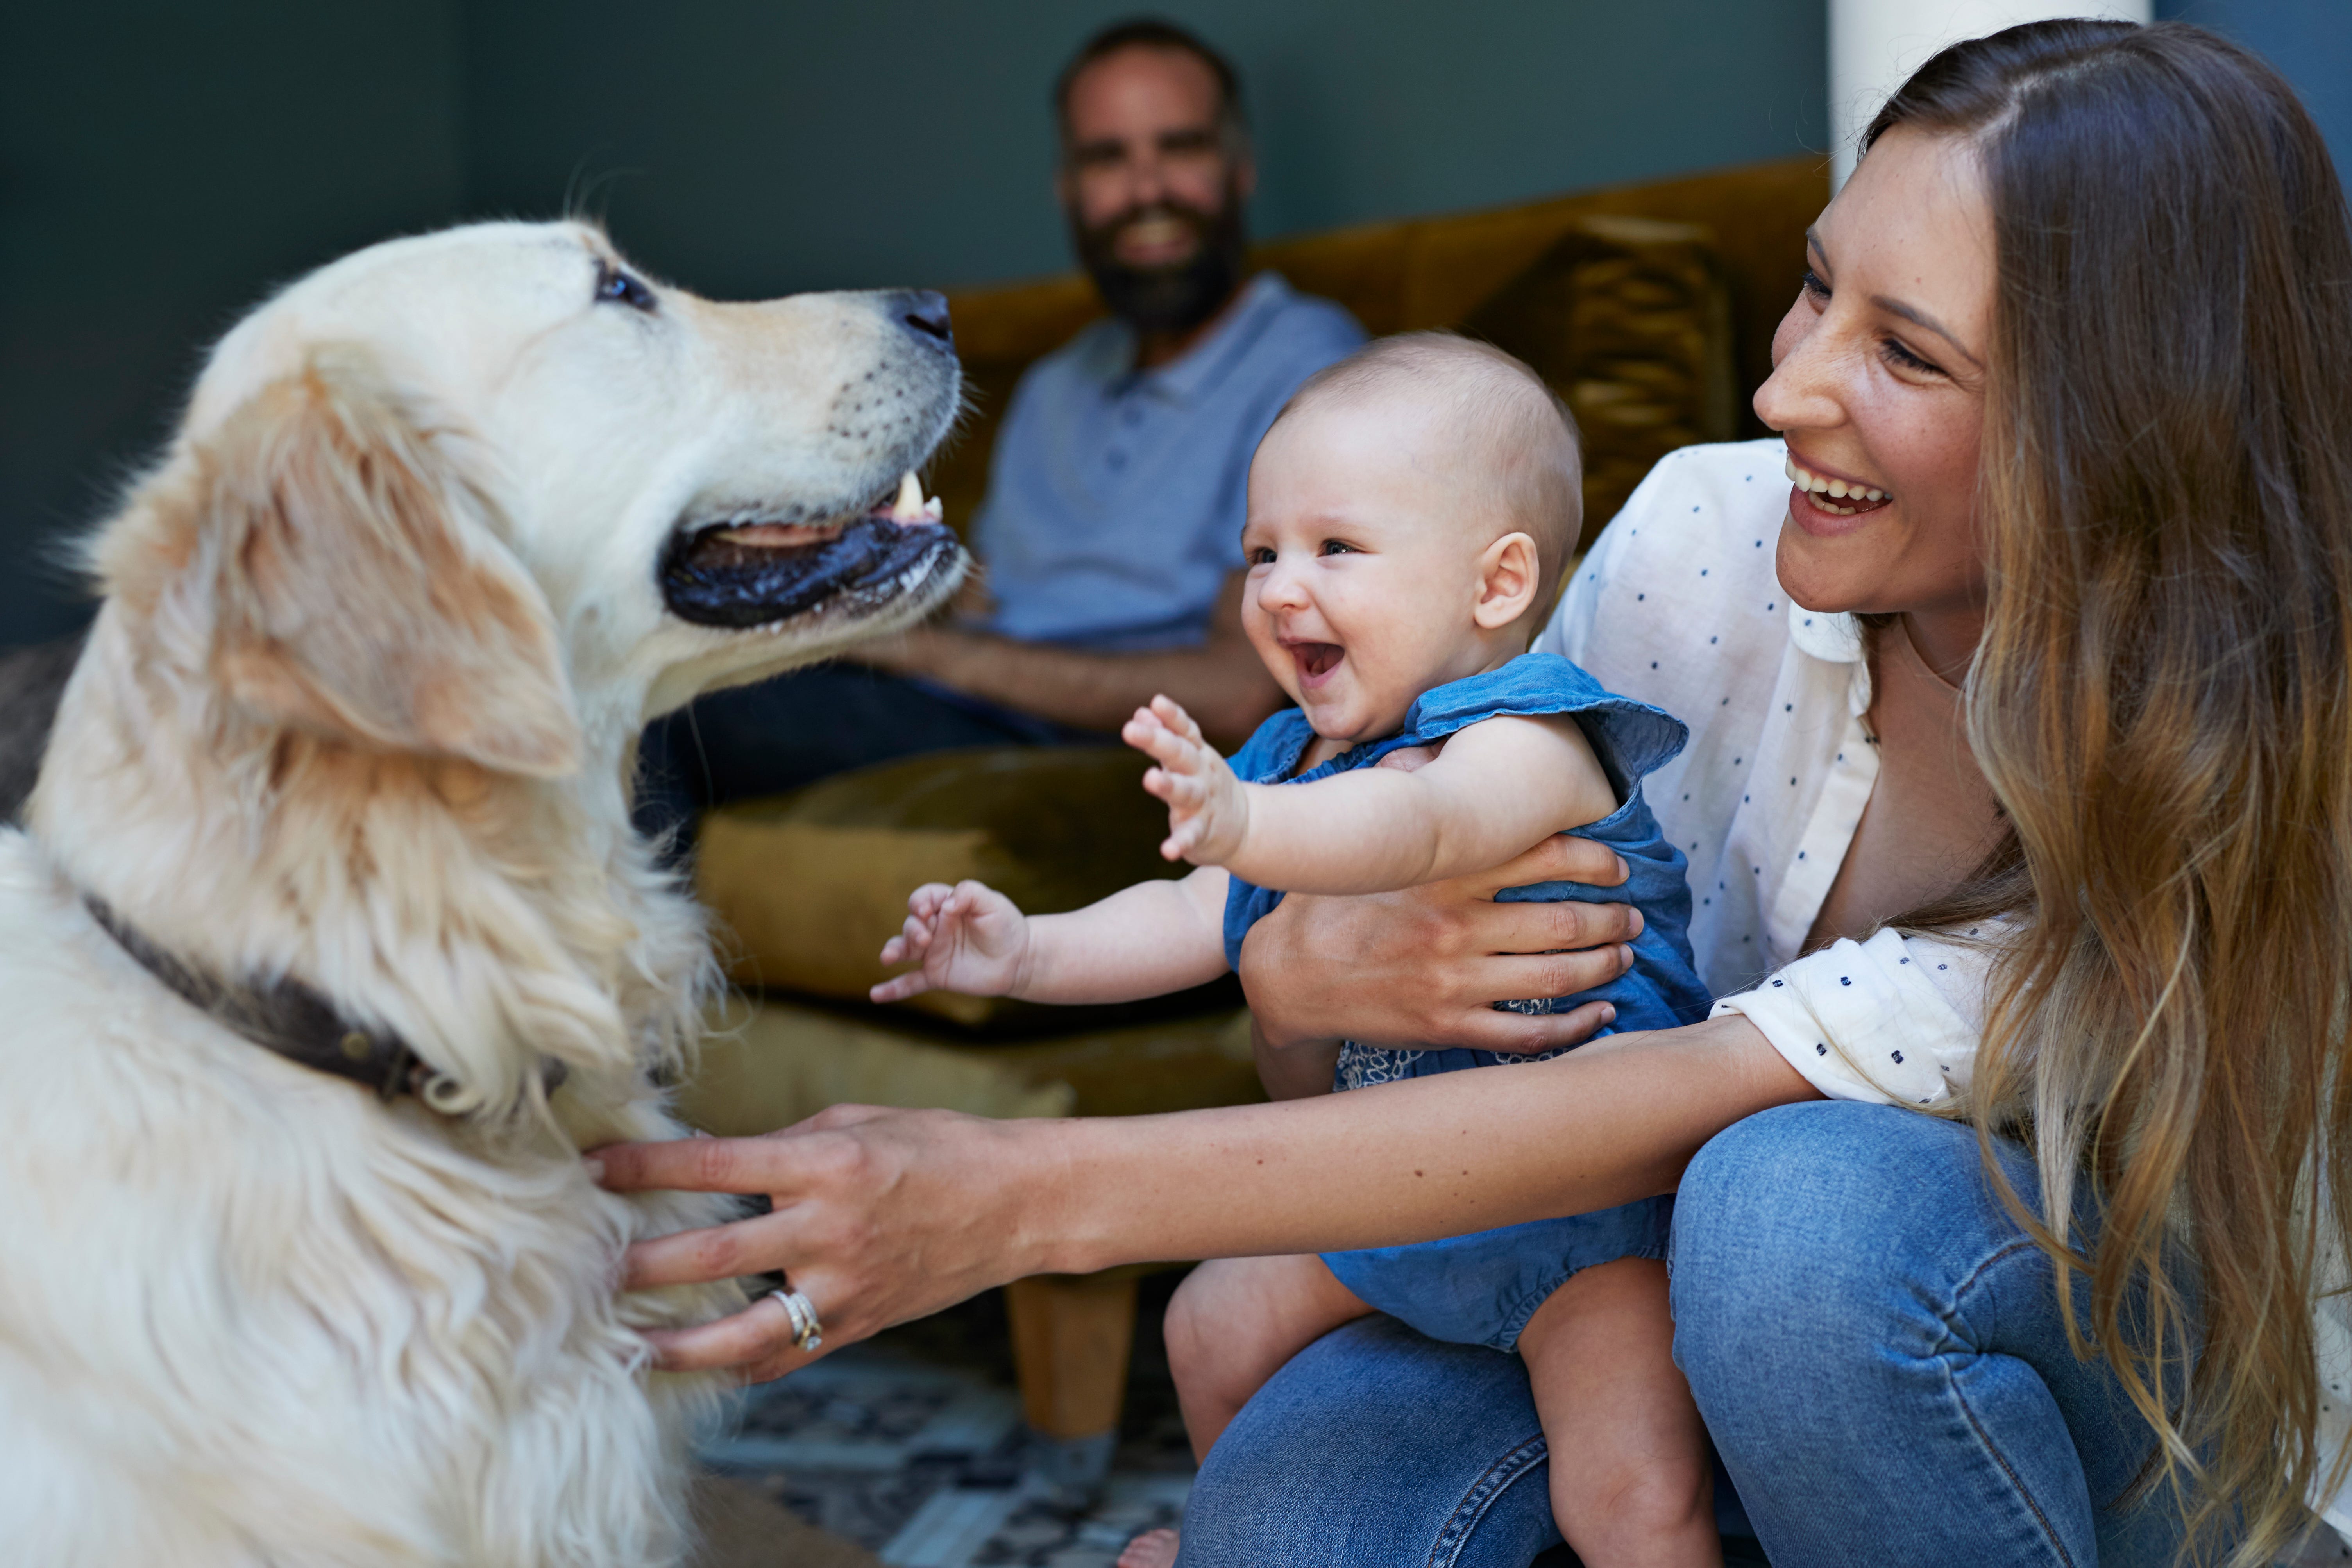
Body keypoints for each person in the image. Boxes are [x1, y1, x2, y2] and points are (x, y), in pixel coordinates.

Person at [596, 20, 2352, 1566]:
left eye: (1904, 354)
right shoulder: (1694, 539)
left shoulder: (2208, 758)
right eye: (1818, 284)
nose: (1781, 382)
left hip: (2090, 1403)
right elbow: (1404, 1045)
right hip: (1628, 1292)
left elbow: (1672, 1099)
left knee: (1796, 1212)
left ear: (2107, 432)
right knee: (1286, 1520)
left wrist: (1008, 1194)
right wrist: (1296, 977)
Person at [872, 336, 1718, 1567]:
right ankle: (1221, 1540)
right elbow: (1182, 919)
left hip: (1579, 1227)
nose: (1275, 587)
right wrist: (1019, 955)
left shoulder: (1534, 732)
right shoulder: (1297, 758)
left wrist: (1254, 825)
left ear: (1494, 584)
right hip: (1389, 1202)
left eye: (1335, 548)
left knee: (1630, 1499)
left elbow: (1421, 823)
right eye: (1261, 551)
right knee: (1208, 1325)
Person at [636, 19, 1363, 847]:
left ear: (1239, 170)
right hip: (955, 706)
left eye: (1181, 147)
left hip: (1089, 744)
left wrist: (911, 654)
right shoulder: (1055, 385)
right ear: (1068, 189)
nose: (1145, 188)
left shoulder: (1311, 367)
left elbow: (1240, 691)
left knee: (668, 717)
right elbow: (990, 593)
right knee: (649, 669)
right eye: (1106, 158)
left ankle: (601, 980)